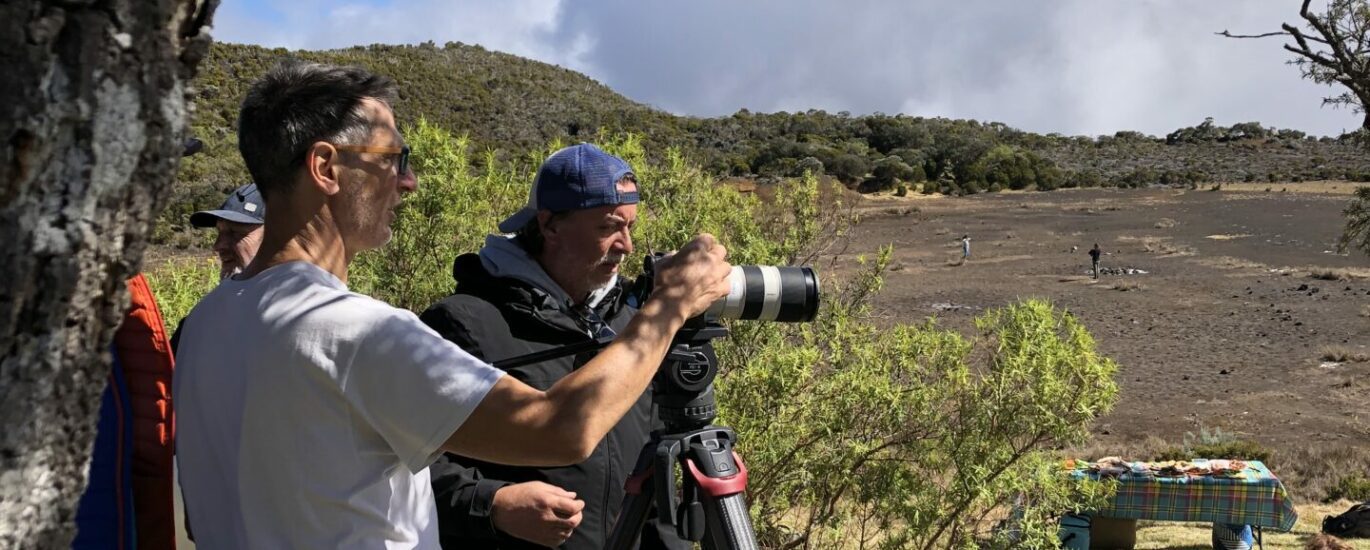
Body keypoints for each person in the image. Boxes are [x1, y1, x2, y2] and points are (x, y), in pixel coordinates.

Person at [172, 61, 731, 548]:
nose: (408, 181)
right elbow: (560, 428)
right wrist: (670, 305)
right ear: (325, 168)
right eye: (393, 157)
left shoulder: (205, 325)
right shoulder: (352, 332)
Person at [419, 143, 686, 549]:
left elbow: (655, 472)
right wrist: (494, 504)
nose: (626, 245)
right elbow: (409, 465)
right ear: (550, 226)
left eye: (630, 226)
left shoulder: (633, 326)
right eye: (608, 227)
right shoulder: (464, 323)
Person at [189, 182, 266, 280]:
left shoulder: (286, 293)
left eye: (236, 232)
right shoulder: (226, 294)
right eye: (219, 232)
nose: (218, 246)